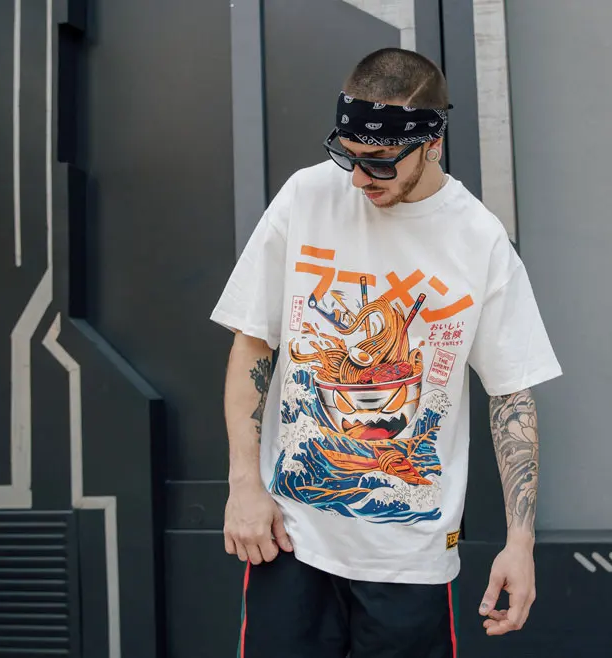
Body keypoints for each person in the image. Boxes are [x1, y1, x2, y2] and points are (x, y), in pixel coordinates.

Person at [210, 47, 562, 658]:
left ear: (433, 143)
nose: (358, 179)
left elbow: (511, 396)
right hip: (289, 538)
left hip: (409, 558)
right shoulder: (305, 197)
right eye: (347, 155)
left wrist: (520, 542)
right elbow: (253, 339)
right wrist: (243, 483)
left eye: (378, 163)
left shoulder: (478, 240)